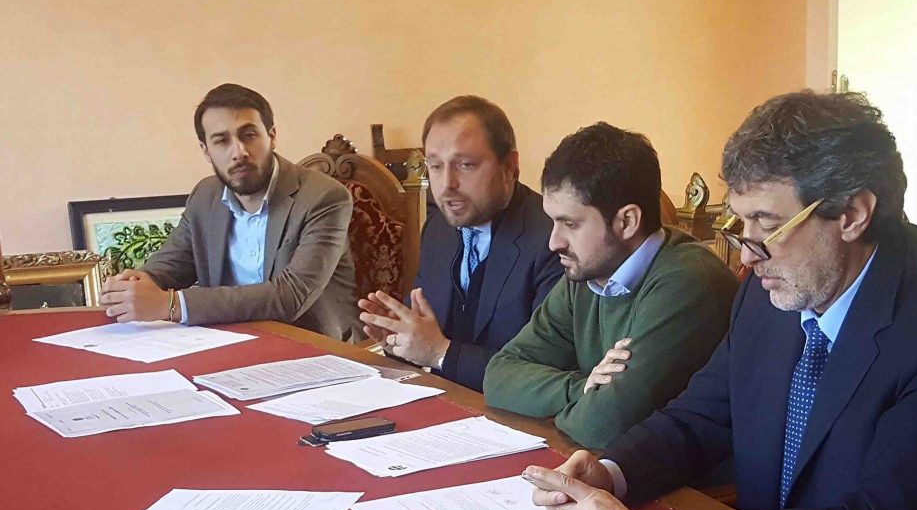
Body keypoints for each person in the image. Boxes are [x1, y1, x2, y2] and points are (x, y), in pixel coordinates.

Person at [525, 91, 917, 510]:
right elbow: (700, 418)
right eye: (741, 223)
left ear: (852, 214)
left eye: (767, 223)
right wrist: (611, 472)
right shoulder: (774, 290)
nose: (747, 251)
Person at [483, 122, 738, 448]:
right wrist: (583, 388)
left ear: (627, 221)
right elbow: (498, 376)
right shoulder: (587, 273)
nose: (554, 242)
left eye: (570, 224)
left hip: (687, 479)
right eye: (553, 222)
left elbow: (601, 425)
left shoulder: (689, 283)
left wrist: (565, 402)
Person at [99, 83, 358, 339]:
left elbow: (291, 296)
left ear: (272, 136)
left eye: (249, 135)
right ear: (206, 151)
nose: (239, 152)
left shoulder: (324, 197)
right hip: (226, 340)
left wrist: (171, 305)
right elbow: (172, 263)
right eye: (222, 141)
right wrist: (134, 285)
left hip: (309, 344)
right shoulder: (205, 195)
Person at [358, 96, 562, 391]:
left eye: (465, 165)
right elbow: (428, 335)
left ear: (510, 166)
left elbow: (544, 373)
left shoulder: (553, 240)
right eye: (435, 166)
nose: (446, 184)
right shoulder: (438, 229)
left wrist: (441, 353)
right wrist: (399, 337)